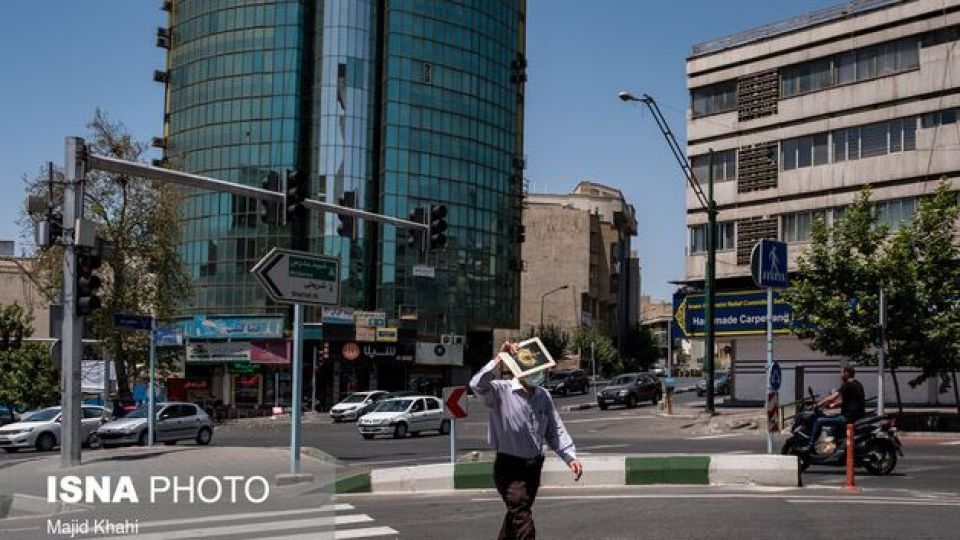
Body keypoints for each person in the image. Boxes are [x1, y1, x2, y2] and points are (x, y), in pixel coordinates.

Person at [470, 342, 583, 540]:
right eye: (535, 370)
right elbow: (476, 384)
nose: (539, 375)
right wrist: (499, 358)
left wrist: (569, 456)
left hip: (533, 467)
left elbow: (554, 429)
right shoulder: (500, 392)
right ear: (519, 369)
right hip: (509, 467)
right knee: (523, 520)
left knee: (516, 516)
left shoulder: (543, 396)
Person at [803, 365, 865, 453]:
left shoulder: (848, 384)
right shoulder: (857, 384)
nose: (840, 375)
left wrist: (817, 404)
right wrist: (831, 406)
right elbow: (848, 401)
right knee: (833, 419)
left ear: (846, 373)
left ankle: (810, 446)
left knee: (819, 421)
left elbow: (833, 397)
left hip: (848, 418)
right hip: (855, 416)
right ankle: (837, 446)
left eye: (841, 372)